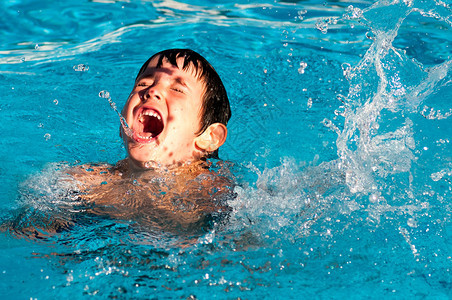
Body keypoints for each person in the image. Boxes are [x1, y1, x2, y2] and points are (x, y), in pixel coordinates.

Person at [5, 49, 234, 241]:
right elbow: (32, 222)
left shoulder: (211, 190)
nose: (151, 91)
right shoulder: (93, 179)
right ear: (123, 128)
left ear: (209, 137)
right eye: (144, 83)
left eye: (177, 89)